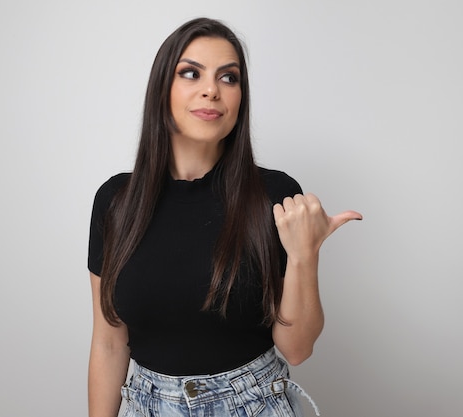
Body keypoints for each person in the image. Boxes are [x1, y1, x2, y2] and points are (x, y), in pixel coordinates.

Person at [88, 17, 362, 417]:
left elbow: (297, 349)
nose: (211, 90)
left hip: (254, 404)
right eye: (191, 73)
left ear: (240, 98)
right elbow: (109, 343)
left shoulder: (274, 195)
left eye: (228, 78)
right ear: (162, 88)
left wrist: (305, 255)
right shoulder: (115, 201)